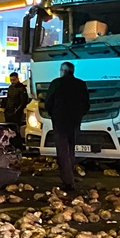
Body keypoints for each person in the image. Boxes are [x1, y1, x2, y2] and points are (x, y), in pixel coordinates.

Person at [43, 61, 90, 192]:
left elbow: (48, 102)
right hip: (75, 121)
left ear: (63, 71)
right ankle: (70, 175)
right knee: (71, 149)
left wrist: (54, 114)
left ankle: (68, 181)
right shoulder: (81, 84)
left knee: (62, 151)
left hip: (60, 121)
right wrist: (79, 115)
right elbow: (86, 104)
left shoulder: (56, 83)